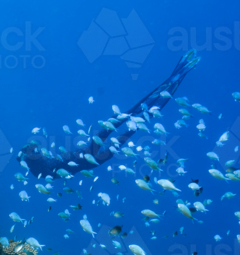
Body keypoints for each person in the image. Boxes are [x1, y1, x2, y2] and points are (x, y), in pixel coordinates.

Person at [20, 50, 199, 177]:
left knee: (128, 127)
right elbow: (37, 151)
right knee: (126, 124)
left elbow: (44, 154)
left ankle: (174, 79)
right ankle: (175, 78)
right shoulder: (38, 167)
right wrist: (28, 152)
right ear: (29, 158)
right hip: (88, 157)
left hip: (89, 158)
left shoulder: (39, 169)